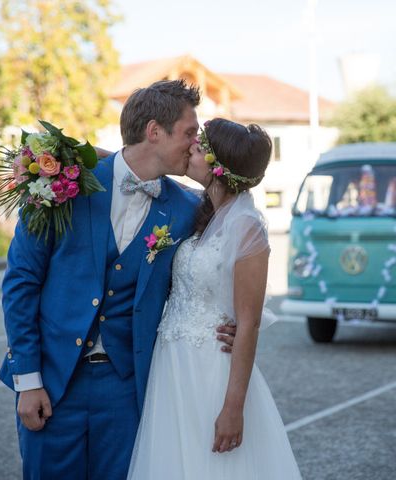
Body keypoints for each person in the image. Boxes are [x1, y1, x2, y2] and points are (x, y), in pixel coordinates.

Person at [0, 79, 236, 479]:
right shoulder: (64, 186)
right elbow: (21, 283)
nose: (197, 145)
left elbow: (209, 268)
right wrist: (28, 380)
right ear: (154, 132)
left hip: (128, 389)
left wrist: (228, 321)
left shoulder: (186, 208)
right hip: (53, 380)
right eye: (190, 132)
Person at [128, 118, 302, 479]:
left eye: (201, 145)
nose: (192, 147)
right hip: (171, 363)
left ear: (220, 168)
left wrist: (234, 408)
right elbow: (134, 166)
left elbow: (249, 321)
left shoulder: (247, 226)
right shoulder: (202, 211)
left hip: (210, 368)